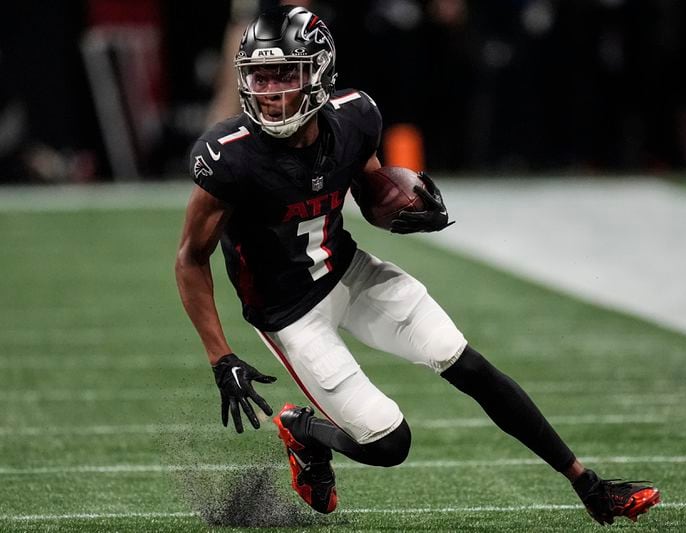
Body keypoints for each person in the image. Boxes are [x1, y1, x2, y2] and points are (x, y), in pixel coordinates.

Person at [175, 5, 661, 524]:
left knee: (465, 362)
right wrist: (219, 355)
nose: (269, 92)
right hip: (290, 313)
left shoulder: (355, 117)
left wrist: (400, 207)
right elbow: (190, 258)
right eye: (259, 77)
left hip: (349, 272)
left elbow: (369, 186)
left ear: (318, 74)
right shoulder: (230, 156)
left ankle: (587, 483)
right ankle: (304, 429)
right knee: (390, 442)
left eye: (283, 75)